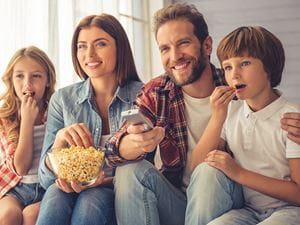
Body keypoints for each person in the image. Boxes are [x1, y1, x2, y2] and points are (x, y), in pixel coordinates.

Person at [106, 3, 300, 225]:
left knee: (210, 169)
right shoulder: (157, 91)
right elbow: (112, 151)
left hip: (229, 197)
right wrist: (130, 142)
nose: (175, 56)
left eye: (183, 43)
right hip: (179, 200)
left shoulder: (238, 90)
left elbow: (274, 106)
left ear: (206, 45)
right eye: (165, 49)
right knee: (128, 170)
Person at [36, 14, 142, 225]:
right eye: (81, 46)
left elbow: (147, 172)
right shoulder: (63, 100)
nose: (89, 54)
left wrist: (99, 182)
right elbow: (46, 179)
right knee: (55, 196)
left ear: (119, 48)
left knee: (91, 200)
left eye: (100, 44)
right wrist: (58, 142)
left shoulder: (143, 96)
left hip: (116, 191)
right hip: (68, 190)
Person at [189, 26, 300, 225]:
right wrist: (217, 117)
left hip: (289, 210)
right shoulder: (231, 112)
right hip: (248, 211)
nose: (234, 75)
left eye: (245, 63)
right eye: (228, 67)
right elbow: (198, 168)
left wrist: (238, 173)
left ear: (269, 67)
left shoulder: (292, 118)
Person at [0, 46, 56, 225]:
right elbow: (20, 168)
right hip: (16, 187)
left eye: (36, 76)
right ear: (11, 79)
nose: (27, 84)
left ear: (47, 80)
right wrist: (27, 122)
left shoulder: (56, 112)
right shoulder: (4, 118)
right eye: (20, 76)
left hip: (48, 187)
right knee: (8, 216)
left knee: (31, 217)